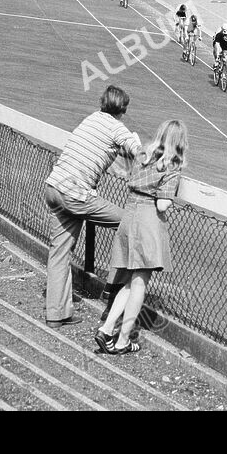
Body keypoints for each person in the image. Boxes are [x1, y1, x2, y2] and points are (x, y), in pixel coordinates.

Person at [44, 85, 141, 327]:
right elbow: (138, 152)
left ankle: (56, 315)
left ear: (102, 103)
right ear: (123, 109)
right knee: (130, 221)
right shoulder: (117, 127)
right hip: (75, 195)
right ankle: (115, 288)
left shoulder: (91, 119)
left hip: (53, 187)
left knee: (59, 252)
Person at [96, 120, 188, 355]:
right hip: (148, 220)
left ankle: (106, 329)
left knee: (129, 281)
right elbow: (163, 204)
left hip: (130, 214)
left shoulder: (143, 153)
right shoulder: (172, 165)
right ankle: (123, 339)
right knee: (139, 284)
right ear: (180, 142)